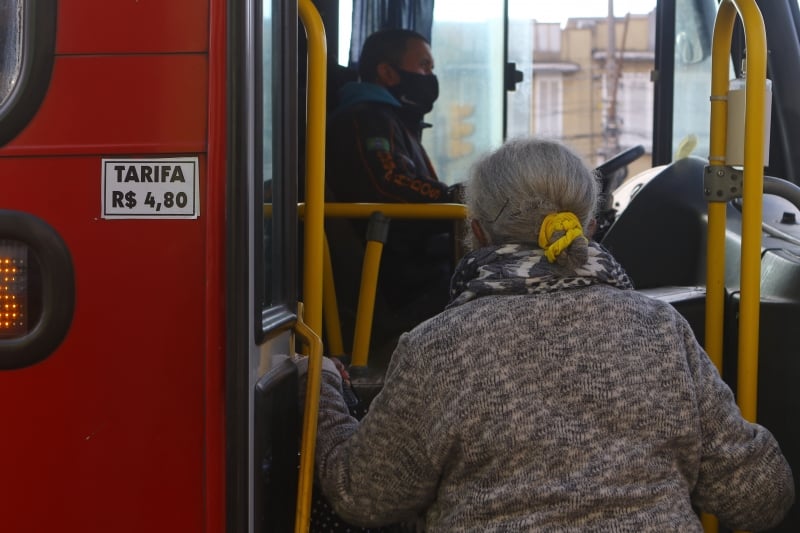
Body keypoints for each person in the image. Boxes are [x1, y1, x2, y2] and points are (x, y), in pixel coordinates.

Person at [303, 137, 794, 531]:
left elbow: (363, 496)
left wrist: (321, 390)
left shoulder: (436, 347)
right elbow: (757, 498)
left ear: (475, 233)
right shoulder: (660, 331)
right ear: (590, 227)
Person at [325, 28, 460, 352]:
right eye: (424, 66)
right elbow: (387, 186)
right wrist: (456, 199)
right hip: (397, 281)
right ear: (387, 72)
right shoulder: (366, 118)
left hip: (406, 267)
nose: (430, 76)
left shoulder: (392, 119)